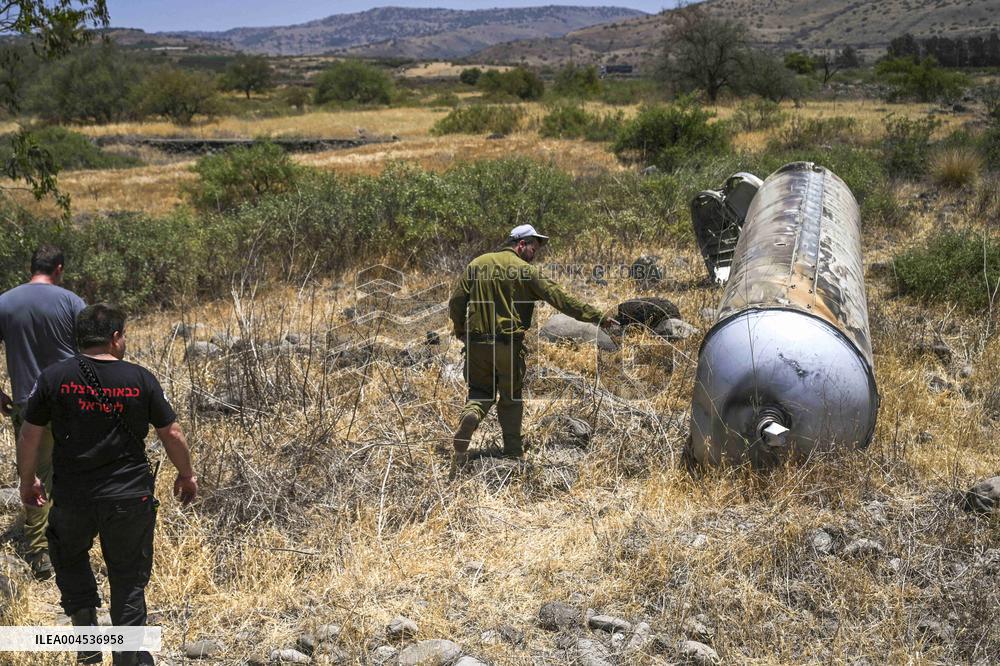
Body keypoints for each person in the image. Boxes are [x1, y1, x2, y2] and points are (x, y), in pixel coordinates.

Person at [18, 304, 198, 666]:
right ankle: (128, 657)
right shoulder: (140, 379)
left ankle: (87, 638)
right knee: (128, 578)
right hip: (129, 496)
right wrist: (186, 473)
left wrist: (27, 480)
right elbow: (172, 432)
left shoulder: (54, 378)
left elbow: (30, 433)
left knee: (69, 560)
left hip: (73, 497)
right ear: (116, 338)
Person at [447, 224, 619, 475]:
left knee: (480, 392)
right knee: (511, 398)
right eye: (533, 248)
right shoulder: (525, 271)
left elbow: (456, 301)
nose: (535, 253)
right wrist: (598, 316)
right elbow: (561, 298)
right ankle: (513, 452)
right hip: (507, 344)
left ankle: (471, 416)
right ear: (520, 244)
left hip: (476, 343)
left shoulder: (477, 264)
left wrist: (461, 330)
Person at [0, 244, 85, 580]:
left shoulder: (5, 302)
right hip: (71, 400)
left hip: (27, 402)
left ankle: (40, 553)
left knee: (34, 476)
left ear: (30, 267)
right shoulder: (72, 302)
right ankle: (73, 542)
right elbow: (94, 351)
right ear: (59, 269)